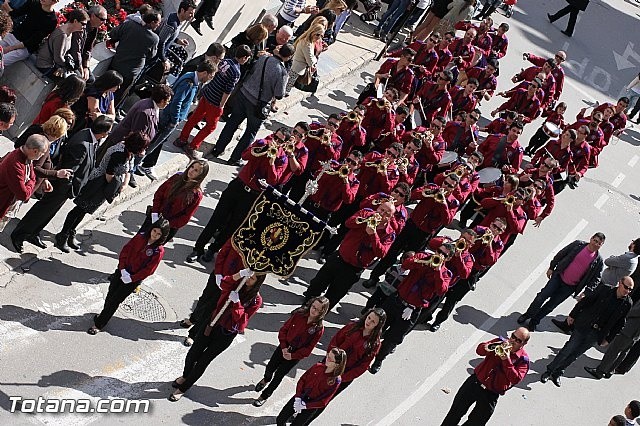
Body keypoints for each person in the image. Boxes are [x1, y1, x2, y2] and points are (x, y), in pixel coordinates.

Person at [186, 128, 292, 263]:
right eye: (275, 138)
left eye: (280, 141)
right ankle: (198, 248)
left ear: (284, 143)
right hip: (238, 186)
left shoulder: (282, 159)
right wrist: (263, 149)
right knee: (217, 218)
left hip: (253, 195)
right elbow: (245, 155)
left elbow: (274, 180)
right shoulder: (262, 143)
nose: (276, 142)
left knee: (233, 225)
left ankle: (213, 249)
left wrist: (271, 163)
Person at [10, 116, 114, 253]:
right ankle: (19, 235)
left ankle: (33, 233)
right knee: (42, 211)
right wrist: (68, 189)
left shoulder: (90, 138)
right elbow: (71, 170)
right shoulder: (82, 144)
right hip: (61, 187)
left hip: (64, 188)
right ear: (103, 132)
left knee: (49, 213)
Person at [170, 269, 266, 401]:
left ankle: (183, 388)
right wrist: (240, 274)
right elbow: (224, 283)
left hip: (225, 334)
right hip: (212, 323)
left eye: (253, 278)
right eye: (249, 276)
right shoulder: (238, 284)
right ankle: (185, 376)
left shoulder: (256, 300)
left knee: (203, 361)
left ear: (258, 282)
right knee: (193, 353)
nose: (249, 279)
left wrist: (237, 303)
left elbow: (242, 320)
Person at [55, 132, 150, 253]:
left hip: (101, 185)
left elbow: (129, 169)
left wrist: (124, 184)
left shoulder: (125, 150)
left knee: (84, 210)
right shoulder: (120, 154)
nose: (144, 150)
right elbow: (109, 174)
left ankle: (70, 232)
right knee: (79, 209)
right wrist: (117, 187)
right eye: (143, 147)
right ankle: (63, 234)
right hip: (97, 184)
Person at [369, 245, 455, 373]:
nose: (440, 254)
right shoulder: (423, 257)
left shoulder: (445, 274)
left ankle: (379, 359)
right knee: (376, 327)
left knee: (393, 338)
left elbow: (441, 290)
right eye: (439, 251)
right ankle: (365, 351)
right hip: (396, 300)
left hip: (412, 309)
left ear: (448, 259)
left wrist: (437, 270)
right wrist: (422, 262)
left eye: (444, 255)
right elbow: (406, 264)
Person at [209, 44, 294, 167]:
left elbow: (252, 71)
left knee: (232, 123)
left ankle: (218, 149)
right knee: (250, 132)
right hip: (259, 105)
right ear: (289, 56)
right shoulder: (282, 72)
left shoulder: (264, 58)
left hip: (244, 95)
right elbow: (279, 94)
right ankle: (235, 158)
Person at [540, 277, 633, 387]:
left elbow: (620, 323)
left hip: (596, 334)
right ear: (620, 283)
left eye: (630, 289)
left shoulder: (627, 303)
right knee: (568, 349)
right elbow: (586, 301)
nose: (627, 291)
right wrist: (573, 315)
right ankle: (549, 371)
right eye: (626, 287)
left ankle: (558, 372)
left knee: (575, 355)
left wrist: (608, 339)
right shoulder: (605, 290)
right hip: (584, 326)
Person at [303, 202, 396, 309]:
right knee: (317, 285)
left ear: (390, 217)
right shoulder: (366, 213)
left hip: (354, 269)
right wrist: (366, 220)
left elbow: (382, 253)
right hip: (339, 257)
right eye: (381, 209)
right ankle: (305, 307)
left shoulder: (389, 234)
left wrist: (373, 234)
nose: (382, 213)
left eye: (386, 213)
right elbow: (348, 223)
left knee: (333, 296)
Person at [87, 219, 170, 335]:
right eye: (154, 230)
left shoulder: (158, 251)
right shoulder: (140, 238)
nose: (155, 234)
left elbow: (149, 270)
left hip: (132, 280)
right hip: (122, 271)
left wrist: (132, 278)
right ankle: (104, 314)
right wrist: (122, 269)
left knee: (115, 300)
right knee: (111, 294)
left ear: (162, 236)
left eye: (158, 234)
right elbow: (125, 252)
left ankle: (99, 324)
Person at [137, 60, 217, 179]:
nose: (210, 79)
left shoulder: (191, 78)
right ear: (205, 73)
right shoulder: (189, 82)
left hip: (170, 117)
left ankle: (147, 164)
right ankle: (138, 164)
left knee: (158, 142)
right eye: (211, 76)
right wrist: (175, 119)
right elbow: (177, 102)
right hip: (169, 118)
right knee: (154, 141)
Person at [307, 309, 386, 423]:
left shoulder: (374, 343)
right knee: (311, 388)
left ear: (378, 325)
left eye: (373, 321)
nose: (369, 322)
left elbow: (362, 366)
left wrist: (341, 377)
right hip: (329, 365)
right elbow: (335, 341)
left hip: (344, 376)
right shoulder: (352, 327)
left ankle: (305, 421)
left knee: (323, 399)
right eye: (369, 318)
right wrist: (330, 361)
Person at [175, 45, 252, 159]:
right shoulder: (236, 72)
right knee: (211, 126)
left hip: (208, 94)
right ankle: (192, 146)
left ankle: (182, 139)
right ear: (244, 58)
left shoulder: (225, 61)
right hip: (215, 101)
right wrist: (222, 106)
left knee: (195, 117)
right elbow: (227, 91)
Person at [440, 328, 530, 426]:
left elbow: (515, 379)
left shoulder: (523, 361)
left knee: (476, 422)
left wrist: (506, 360)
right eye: (513, 337)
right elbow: (479, 350)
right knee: (455, 413)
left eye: (518, 341)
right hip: (475, 383)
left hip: (491, 394)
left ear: (524, 343)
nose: (513, 341)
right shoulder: (499, 342)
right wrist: (490, 347)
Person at [518, 233, 605, 331]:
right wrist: (552, 267)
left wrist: (586, 292)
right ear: (591, 238)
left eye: (599, 243)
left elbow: (596, 279)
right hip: (558, 277)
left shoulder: (598, 261)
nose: (595, 244)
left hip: (570, 287)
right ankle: (528, 314)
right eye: (595, 240)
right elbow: (562, 253)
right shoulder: (578, 245)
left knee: (550, 306)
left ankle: (534, 321)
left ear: (601, 245)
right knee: (541, 296)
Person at [252, 297, 330, 407]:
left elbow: (308, 349)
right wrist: (284, 347)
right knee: (270, 367)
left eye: (318, 310)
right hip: (284, 347)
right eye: (313, 307)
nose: (314, 311)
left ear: (322, 312)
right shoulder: (299, 315)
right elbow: (284, 330)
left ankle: (264, 396)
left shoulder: (318, 329)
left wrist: (293, 356)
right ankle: (265, 379)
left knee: (279, 376)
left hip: (294, 356)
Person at [99, 84, 173, 188]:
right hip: (121, 146)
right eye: (167, 100)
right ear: (161, 100)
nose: (168, 103)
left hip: (124, 146)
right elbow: (136, 135)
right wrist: (140, 149)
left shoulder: (151, 106)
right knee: (104, 173)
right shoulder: (145, 112)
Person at [275, 347, 347, 425]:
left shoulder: (336, 380)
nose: (326, 358)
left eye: (330, 359)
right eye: (327, 355)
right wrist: (298, 397)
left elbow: (323, 401)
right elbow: (302, 380)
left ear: (336, 364)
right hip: (301, 397)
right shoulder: (317, 366)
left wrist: (305, 406)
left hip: (311, 406)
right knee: (280, 419)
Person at [146, 159, 208, 243]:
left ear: (201, 175)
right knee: (140, 241)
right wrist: (155, 214)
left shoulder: (196, 194)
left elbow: (186, 216)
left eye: (196, 170)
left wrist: (165, 225)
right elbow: (159, 193)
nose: (192, 170)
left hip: (168, 227)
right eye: (192, 167)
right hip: (155, 216)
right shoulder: (177, 177)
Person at [584, 289, 640, 379]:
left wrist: (626, 313)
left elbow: (636, 311)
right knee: (623, 351)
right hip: (636, 333)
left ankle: (600, 371)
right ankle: (610, 371)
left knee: (614, 350)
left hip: (631, 328)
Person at [108, 11, 161, 106]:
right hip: (131, 72)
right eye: (158, 22)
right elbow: (151, 55)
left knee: (106, 87)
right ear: (152, 22)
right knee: (119, 94)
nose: (159, 25)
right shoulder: (154, 39)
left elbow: (114, 33)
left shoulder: (129, 25)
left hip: (116, 64)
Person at [0, 134, 47, 220]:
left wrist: (30, 181)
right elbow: (23, 195)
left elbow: (32, 176)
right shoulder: (16, 164)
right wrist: (31, 182)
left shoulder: (27, 157)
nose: (42, 156)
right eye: (42, 153)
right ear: (35, 151)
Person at [1, 0, 58, 68]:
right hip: (14, 35)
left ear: (54, 2)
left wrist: (10, 48)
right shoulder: (33, 3)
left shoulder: (52, 21)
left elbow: (33, 40)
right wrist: (6, 4)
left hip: (25, 48)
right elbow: (15, 13)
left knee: (3, 60)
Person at [35, 9, 89, 77]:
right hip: (45, 65)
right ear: (75, 21)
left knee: (78, 77)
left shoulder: (70, 32)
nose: (84, 27)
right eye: (83, 24)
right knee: (74, 80)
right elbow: (58, 58)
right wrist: (69, 67)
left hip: (55, 65)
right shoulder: (62, 35)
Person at [68, 5, 107, 83]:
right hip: (69, 57)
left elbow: (88, 48)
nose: (104, 22)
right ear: (93, 16)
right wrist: (81, 68)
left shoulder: (94, 28)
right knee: (81, 80)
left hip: (79, 59)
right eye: (102, 19)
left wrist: (86, 66)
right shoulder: (81, 25)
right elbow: (76, 49)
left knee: (91, 79)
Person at [154, 1, 195, 71]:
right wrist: (164, 60)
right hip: (153, 55)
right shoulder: (172, 25)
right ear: (182, 10)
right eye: (190, 13)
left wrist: (178, 40)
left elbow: (167, 35)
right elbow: (161, 42)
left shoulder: (174, 17)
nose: (192, 16)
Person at [285, 23, 323, 95]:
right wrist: (315, 58)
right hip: (295, 68)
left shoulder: (310, 42)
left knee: (289, 84)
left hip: (298, 68)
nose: (319, 37)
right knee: (287, 86)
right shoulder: (306, 44)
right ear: (312, 32)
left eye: (321, 35)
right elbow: (310, 61)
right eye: (317, 34)